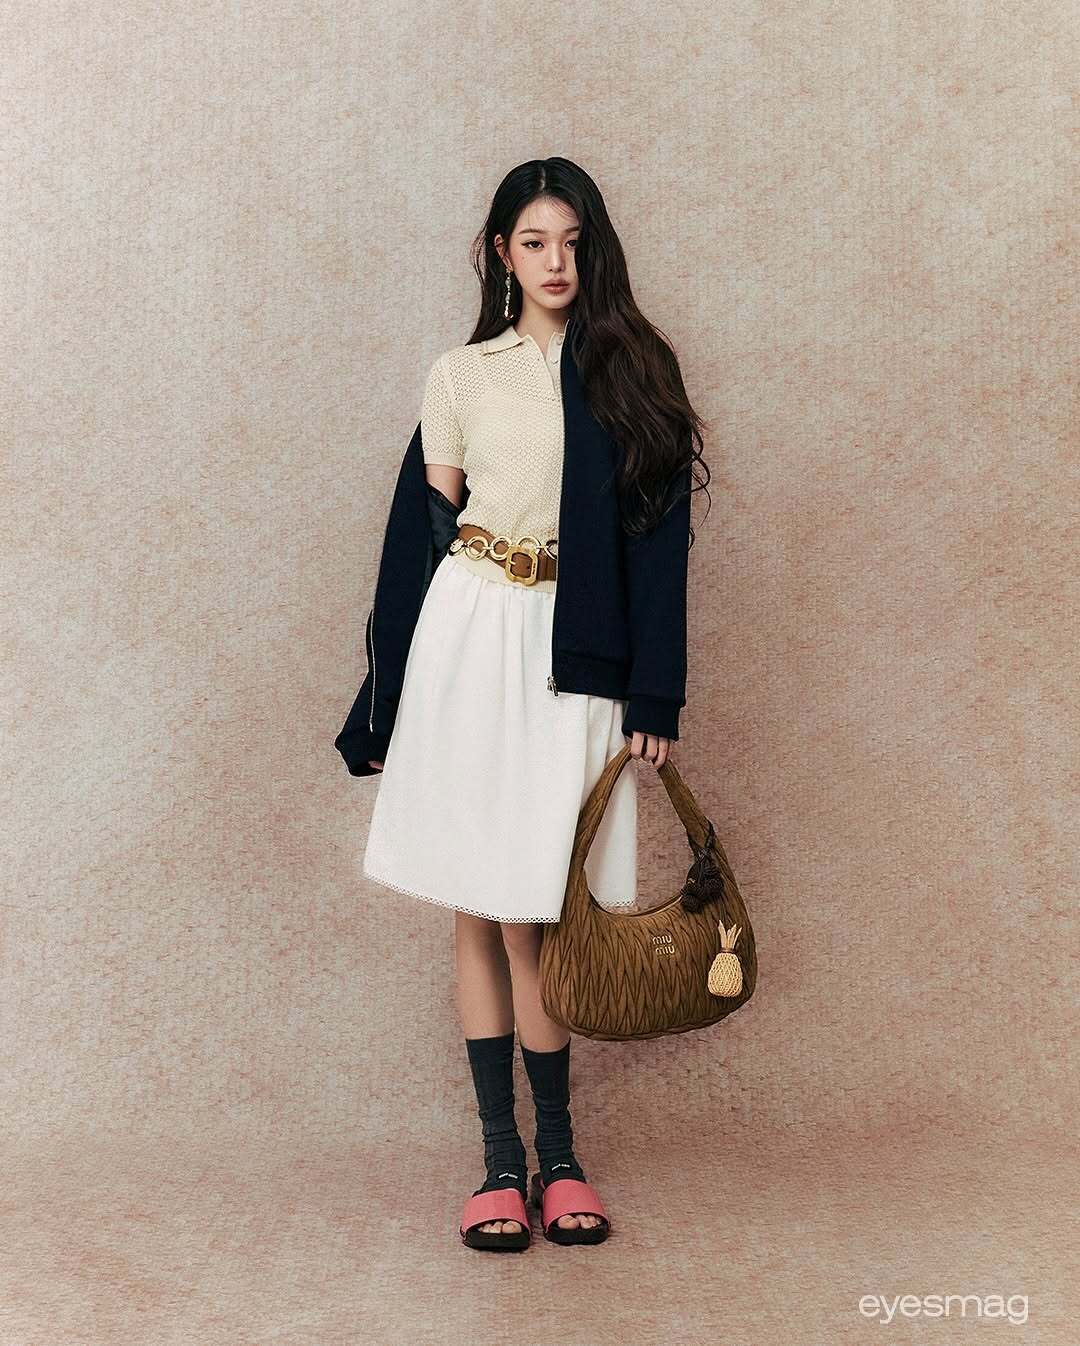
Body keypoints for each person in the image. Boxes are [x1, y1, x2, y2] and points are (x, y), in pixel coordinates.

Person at [335, 157, 709, 1251]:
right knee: (476, 898)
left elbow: (662, 545)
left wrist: (655, 691)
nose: (556, 263)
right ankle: (502, 1161)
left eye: (573, 242)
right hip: (470, 637)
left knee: (542, 908)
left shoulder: (632, 370)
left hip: (572, 649)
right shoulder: (461, 374)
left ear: (595, 249)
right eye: (535, 242)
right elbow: (420, 540)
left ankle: (562, 1154)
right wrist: (387, 700)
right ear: (501, 252)